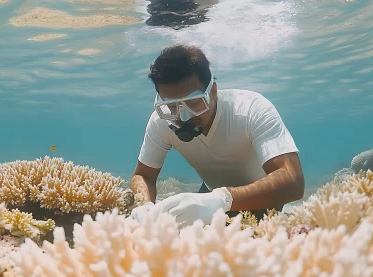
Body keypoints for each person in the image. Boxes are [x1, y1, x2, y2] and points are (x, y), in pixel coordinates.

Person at [129, 44, 305, 227]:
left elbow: (293, 180)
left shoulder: (252, 109)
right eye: (172, 106)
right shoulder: (160, 121)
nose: (183, 117)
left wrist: (223, 199)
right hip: (210, 197)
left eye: (194, 103)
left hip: (264, 198)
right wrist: (145, 206)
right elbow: (143, 176)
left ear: (212, 91)